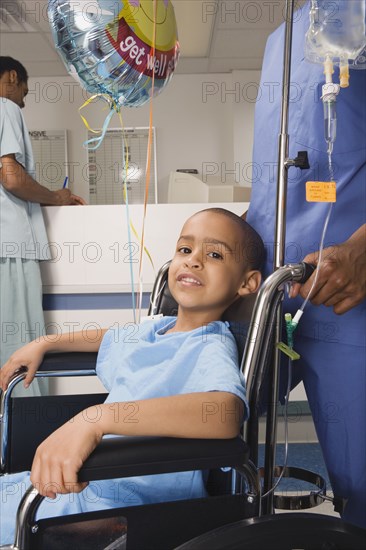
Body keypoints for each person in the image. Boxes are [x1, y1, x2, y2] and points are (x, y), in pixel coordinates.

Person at [0, 207, 264, 544]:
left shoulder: (209, 345)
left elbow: (225, 413)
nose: (193, 261)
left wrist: (97, 418)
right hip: (89, 482)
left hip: (127, 500)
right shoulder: (158, 328)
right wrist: (46, 343)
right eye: (185, 250)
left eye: (213, 254)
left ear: (247, 283)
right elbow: (111, 336)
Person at [245, 1, 366, 528]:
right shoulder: (282, 37)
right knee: (220, 432)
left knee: (359, 475)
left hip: (349, 292)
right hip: (272, 290)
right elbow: (276, 183)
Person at [0, 57, 86, 397]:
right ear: (10, 77)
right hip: (10, 247)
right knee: (19, 346)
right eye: (24, 90)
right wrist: (56, 197)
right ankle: (22, 435)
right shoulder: (5, 107)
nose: (24, 98)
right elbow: (10, 175)